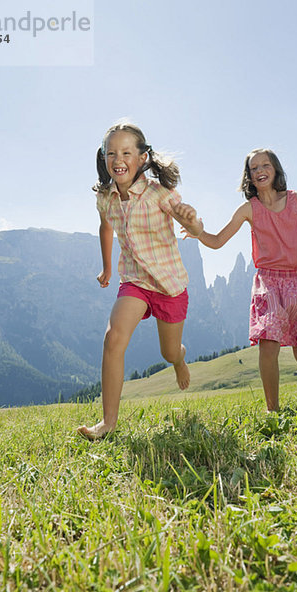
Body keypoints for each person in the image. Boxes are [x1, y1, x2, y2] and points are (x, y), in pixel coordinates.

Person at [172, 148, 297, 412]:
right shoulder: (248, 209)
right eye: (254, 168)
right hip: (269, 283)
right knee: (268, 343)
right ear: (249, 177)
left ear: (276, 170)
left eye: (265, 165)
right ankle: (272, 411)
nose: (260, 171)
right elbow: (217, 241)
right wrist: (198, 232)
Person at [77, 122, 196, 439]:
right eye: (111, 152)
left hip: (169, 284)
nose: (118, 158)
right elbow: (106, 227)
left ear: (142, 158)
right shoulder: (106, 198)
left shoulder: (160, 194)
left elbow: (192, 223)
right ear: (104, 159)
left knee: (168, 352)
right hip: (134, 281)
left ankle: (179, 359)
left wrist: (192, 222)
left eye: (126, 152)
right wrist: (107, 267)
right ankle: (108, 423)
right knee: (113, 338)